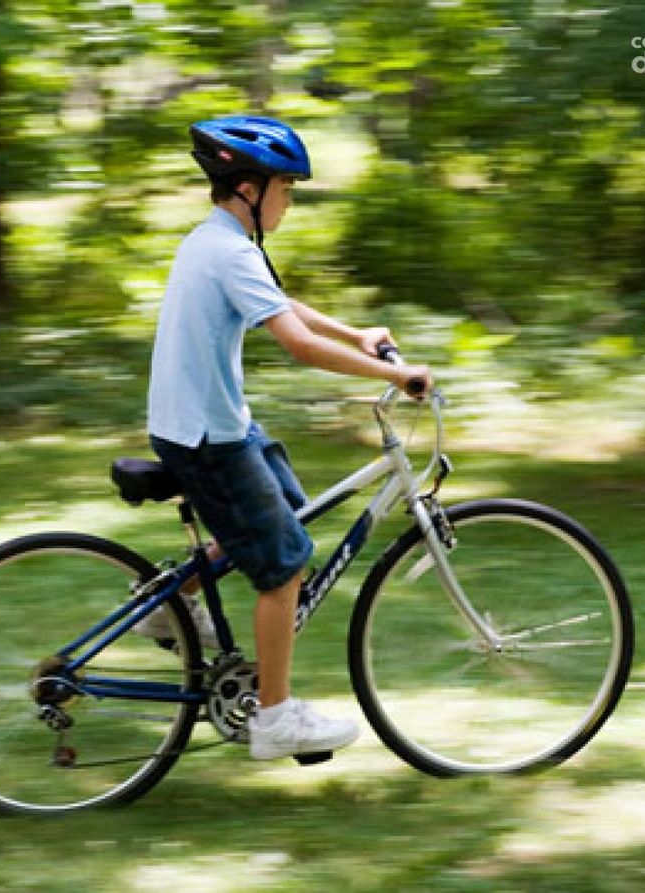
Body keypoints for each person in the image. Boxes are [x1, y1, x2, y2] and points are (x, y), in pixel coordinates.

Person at [140, 115, 432, 761]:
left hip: (214, 422)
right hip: (206, 436)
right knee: (285, 565)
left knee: (289, 509)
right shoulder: (229, 249)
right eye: (286, 188)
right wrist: (396, 372)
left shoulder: (215, 240)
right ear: (250, 187)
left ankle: (170, 608)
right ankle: (274, 718)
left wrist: (356, 333)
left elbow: (278, 301)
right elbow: (296, 343)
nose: (289, 200)